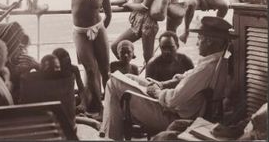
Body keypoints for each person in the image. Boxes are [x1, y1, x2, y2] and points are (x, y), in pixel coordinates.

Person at [100, 16, 236, 140]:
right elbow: (188, 80)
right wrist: (163, 84)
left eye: (199, 38)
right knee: (128, 76)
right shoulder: (217, 62)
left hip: (170, 114)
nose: (197, 43)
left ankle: (111, 137)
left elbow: (173, 99)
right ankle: (111, 133)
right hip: (176, 107)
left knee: (114, 82)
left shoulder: (206, 69)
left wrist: (157, 92)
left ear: (210, 42)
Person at [71, 0, 111, 114]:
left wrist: (100, 31)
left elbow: (108, 15)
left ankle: (109, 104)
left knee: (105, 70)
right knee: (90, 69)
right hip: (80, 32)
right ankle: (99, 106)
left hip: (99, 30)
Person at [52, 47, 88, 113]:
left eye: (68, 61)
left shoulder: (74, 69)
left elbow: (81, 88)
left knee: (88, 92)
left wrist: (83, 104)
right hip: (59, 98)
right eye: (64, 63)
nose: (66, 65)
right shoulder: (53, 71)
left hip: (70, 96)